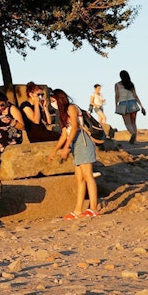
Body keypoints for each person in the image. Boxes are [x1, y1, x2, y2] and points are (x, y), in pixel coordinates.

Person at [49, 89, 100, 219]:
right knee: (79, 179)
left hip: (82, 141)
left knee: (88, 176)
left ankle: (93, 208)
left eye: (53, 100)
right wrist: (55, 150)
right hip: (75, 144)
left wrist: (66, 147)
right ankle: (77, 210)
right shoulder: (62, 113)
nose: (52, 103)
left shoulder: (71, 108)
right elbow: (64, 133)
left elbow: (75, 128)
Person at [114, 70, 146, 144]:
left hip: (123, 104)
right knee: (133, 123)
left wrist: (116, 105)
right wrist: (141, 106)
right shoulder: (131, 84)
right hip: (133, 103)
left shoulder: (117, 85)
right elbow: (135, 95)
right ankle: (135, 139)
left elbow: (117, 95)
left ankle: (132, 134)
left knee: (127, 123)